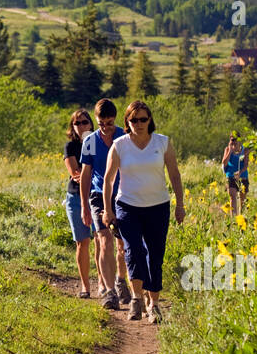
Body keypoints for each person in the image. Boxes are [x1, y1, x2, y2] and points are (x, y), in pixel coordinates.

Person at [103, 100, 185, 323]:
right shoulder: (119, 145)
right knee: (134, 250)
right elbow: (109, 180)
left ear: (150, 120)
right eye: (133, 120)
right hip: (128, 206)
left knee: (155, 255)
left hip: (158, 206)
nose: (138, 123)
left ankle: (154, 304)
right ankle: (136, 299)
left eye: (143, 119)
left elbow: (175, 175)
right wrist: (108, 210)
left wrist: (180, 205)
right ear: (127, 122)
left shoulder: (163, 143)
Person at [78, 99, 132, 310]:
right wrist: (84, 206)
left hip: (123, 194)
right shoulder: (90, 141)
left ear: (115, 120)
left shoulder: (125, 137)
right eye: (101, 123)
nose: (106, 128)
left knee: (122, 245)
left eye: (109, 123)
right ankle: (109, 292)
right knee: (104, 240)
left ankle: (120, 279)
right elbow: (85, 174)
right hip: (99, 195)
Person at [63, 109, 96, 297]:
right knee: (82, 242)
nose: (81, 126)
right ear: (72, 127)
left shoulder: (97, 143)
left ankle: (105, 283)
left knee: (101, 239)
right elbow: (75, 173)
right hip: (75, 197)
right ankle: (85, 286)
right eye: (77, 123)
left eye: (84, 122)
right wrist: (93, 174)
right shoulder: (71, 146)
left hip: (98, 196)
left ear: (91, 124)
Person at [222, 133, 250, 217]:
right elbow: (224, 162)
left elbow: (246, 165)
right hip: (231, 176)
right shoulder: (227, 149)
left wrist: (240, 172)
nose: (234, 142)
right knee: (232, 197)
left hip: (243, 176)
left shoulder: (245, 150)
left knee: (242, 199)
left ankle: (242, 217)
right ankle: (233, 218)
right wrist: (230, 152)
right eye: (232, 140)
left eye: (235, 140)